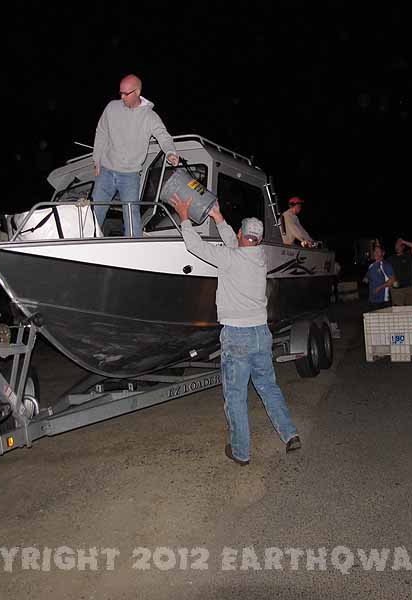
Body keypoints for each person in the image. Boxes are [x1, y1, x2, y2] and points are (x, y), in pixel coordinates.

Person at [169, 192, 301, 466]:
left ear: (242, 234)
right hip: (261, 334)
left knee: (236, 396)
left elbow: (195, 246)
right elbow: (234, 244)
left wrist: (184, 217)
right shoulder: (259, 257)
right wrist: (219, 218)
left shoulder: (229, 258)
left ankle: (241, 452)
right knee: (268, 387)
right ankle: (290, 434)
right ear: (258, 239)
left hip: (237, 336)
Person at [92, 74, 179, 237]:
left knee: (132, 215)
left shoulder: (149, 117)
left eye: (126, 93)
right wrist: (96, 159)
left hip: (130, 175)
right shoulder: (112, 107)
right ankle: (87, 240)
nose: (122, 97)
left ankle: (135, 247)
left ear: (137, 92)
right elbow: (101, 132)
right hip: (106, 170)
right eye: (120, 93)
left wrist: (171, 152)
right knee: (95, 210)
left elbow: (164, 136)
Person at [363, 245, 396, 311]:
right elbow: (367, 276)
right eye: (375, 251)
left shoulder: (386, 265)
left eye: (378, 251)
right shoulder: (371, 266)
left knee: (384, 321)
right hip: (372, 300)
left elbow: (392, 280)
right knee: (373, 320)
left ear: (383, 253)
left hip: (383, 301)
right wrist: (365, 279)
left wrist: (379, 288)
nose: (376, 253)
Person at [389, 237, 412, 306]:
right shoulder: (391, 259)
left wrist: (403, 241)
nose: (397, 247)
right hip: (397, 289)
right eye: (396, 245)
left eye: (399, 245)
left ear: (403, 247)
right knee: (399, 312)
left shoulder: (408, 255)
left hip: (410, 287)